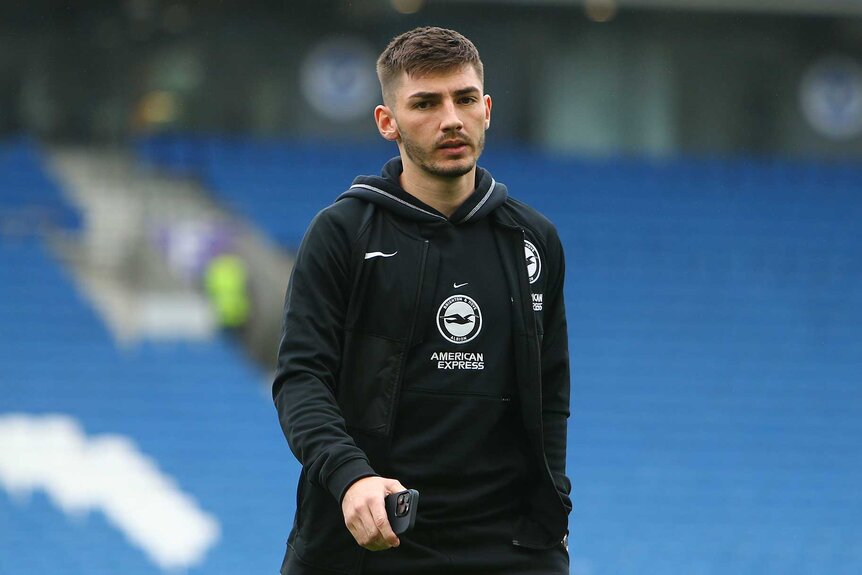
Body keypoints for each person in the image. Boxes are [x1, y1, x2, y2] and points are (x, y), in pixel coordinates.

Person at [272, 26, 571, 575]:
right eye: (425, 103)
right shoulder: (343, 233)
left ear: (486, 109)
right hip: (368, 540)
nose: (450, 118)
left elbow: (550, 390)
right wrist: (351, 477)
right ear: (388, 123)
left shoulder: (534, 239)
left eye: (463, 99)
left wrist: (556, 505)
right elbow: (300, 379)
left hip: (509, 548)